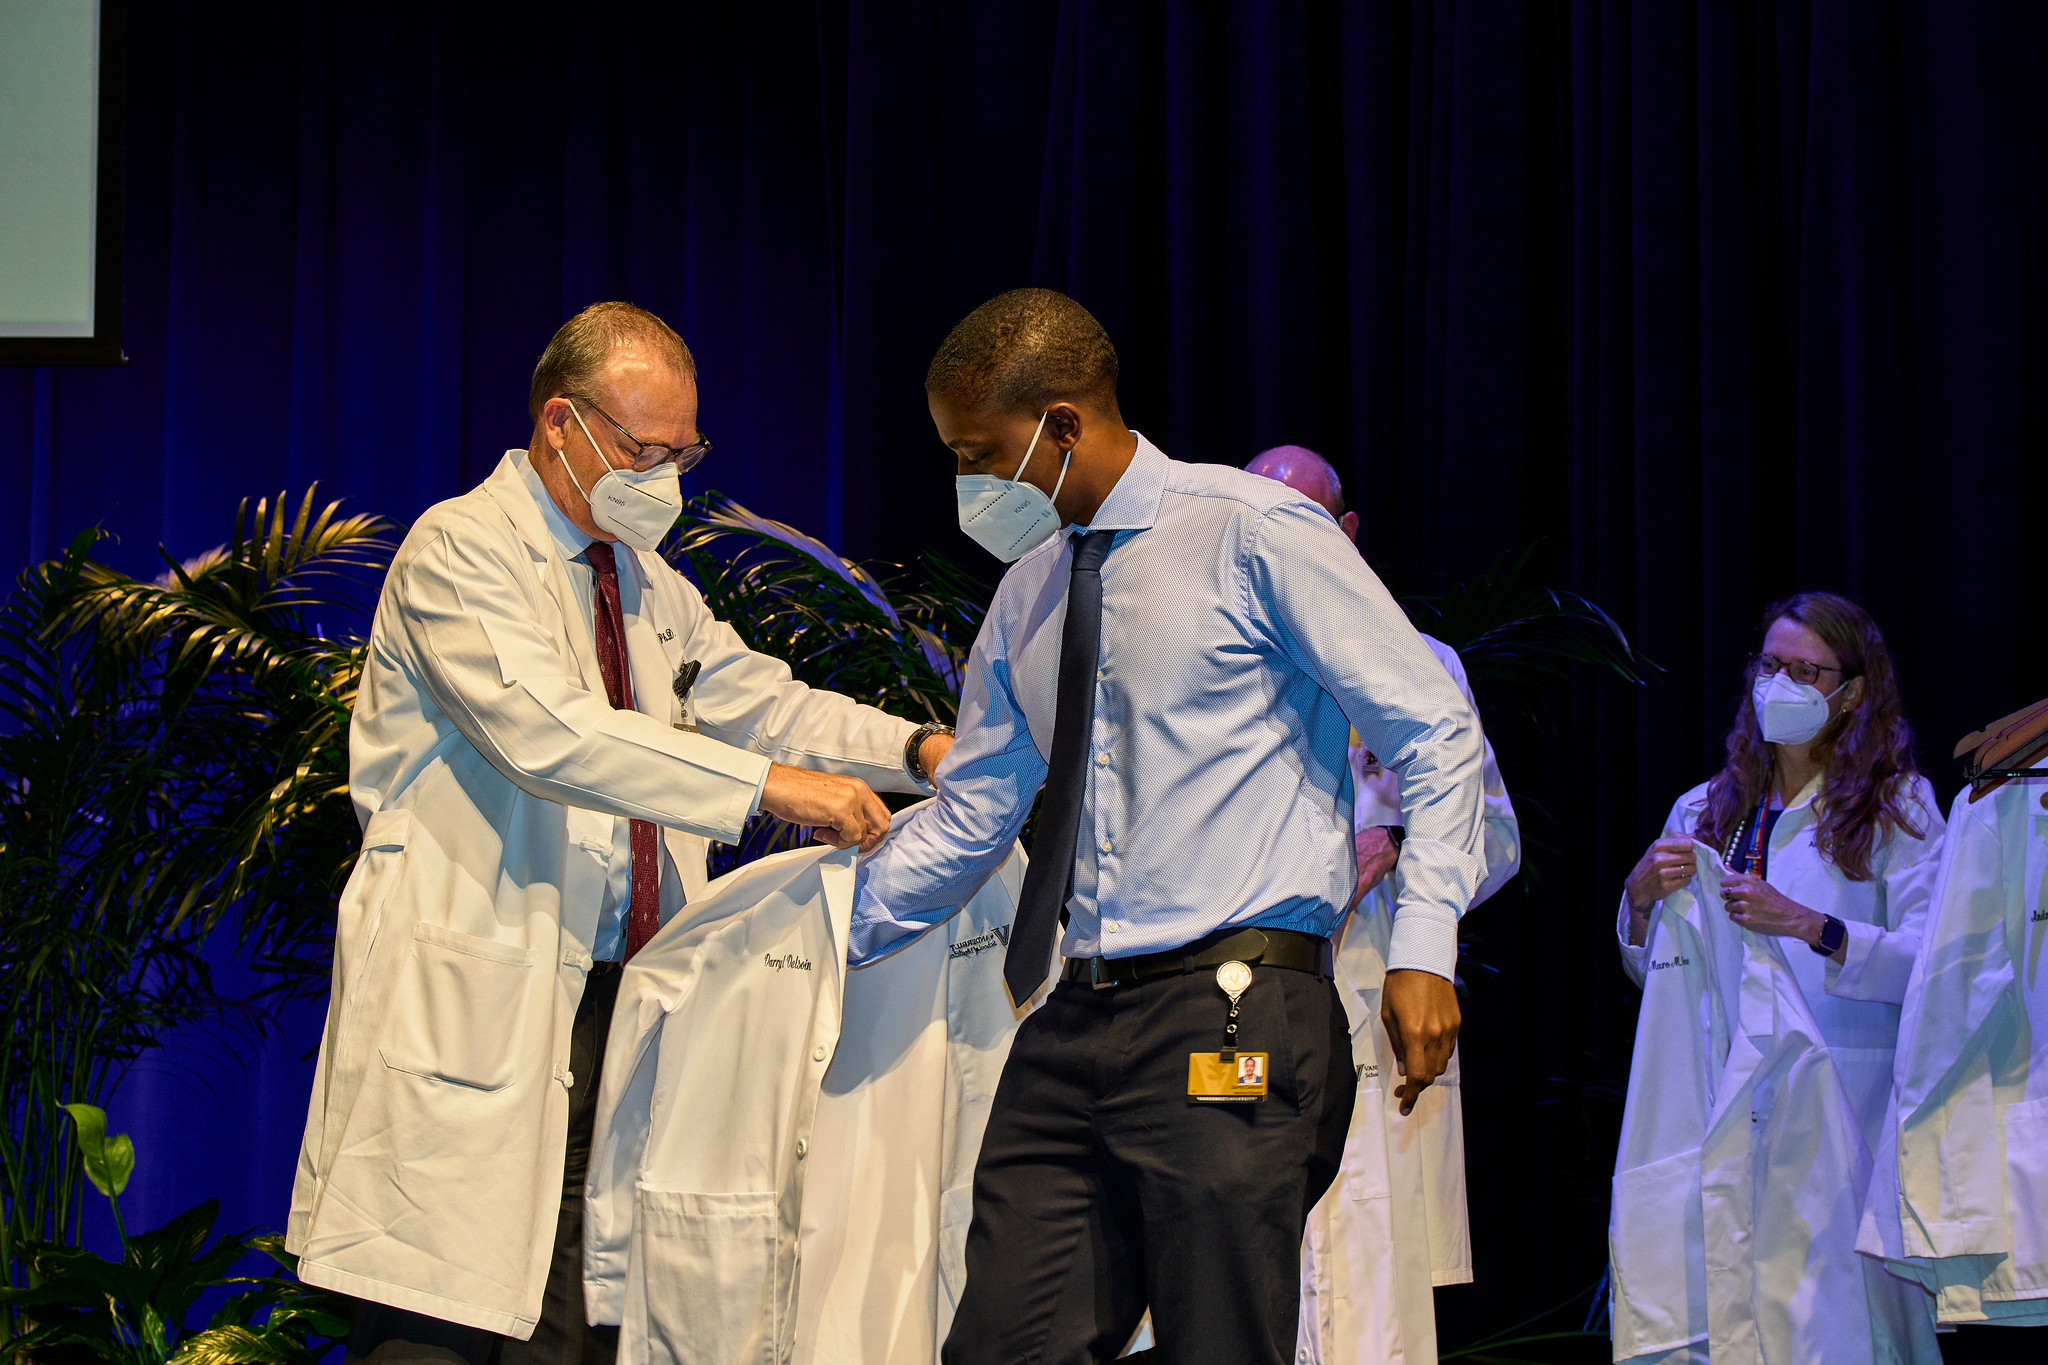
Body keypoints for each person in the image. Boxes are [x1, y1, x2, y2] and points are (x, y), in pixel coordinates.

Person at [285, 302, 954, 1364]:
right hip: (481, 996)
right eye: (644, 450)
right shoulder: (460, 550)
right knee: (437, 1332)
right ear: (561, 424)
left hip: (619, 1003)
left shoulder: (644, 584)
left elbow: (761, 701)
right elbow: (552, 733)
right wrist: (775, 789)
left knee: (577, 1323)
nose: (664, 478)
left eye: (682, 453)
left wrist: (917, 749)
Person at [852, 288, 1488, 1363]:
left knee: (1218, 1343)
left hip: (1234, 1007)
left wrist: (1424, 948)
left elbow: (1434, 732)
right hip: (1076, 1015)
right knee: (1002, 1345)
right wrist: (829, 924)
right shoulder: (1028, 593)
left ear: (1060, 424)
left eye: (977, 455)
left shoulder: (1251, 531)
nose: (965, 485)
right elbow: (975, 810)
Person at [1610, 591, 1943, 1363]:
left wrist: (1809, 924)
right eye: (1771, 665)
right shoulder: (1703, 810)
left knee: (1841, 1332)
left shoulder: (1898, 807)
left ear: (1852, 692)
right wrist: (1638, 904)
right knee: (1730, 1323)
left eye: (1807, 671)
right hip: (1723, 1109)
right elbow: (1663, 978)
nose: (1781, 685)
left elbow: (1931, 964)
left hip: (1848, 1114)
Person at [1243, 445, 1520, 1365]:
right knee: (1244, 1262)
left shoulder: (1421, 666)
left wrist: (1396, 846)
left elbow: (1495, 839)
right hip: (1243, 1004)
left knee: (1372, 1289)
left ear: (1347, 532)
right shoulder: (1219, 664)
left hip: (1376, 1006)